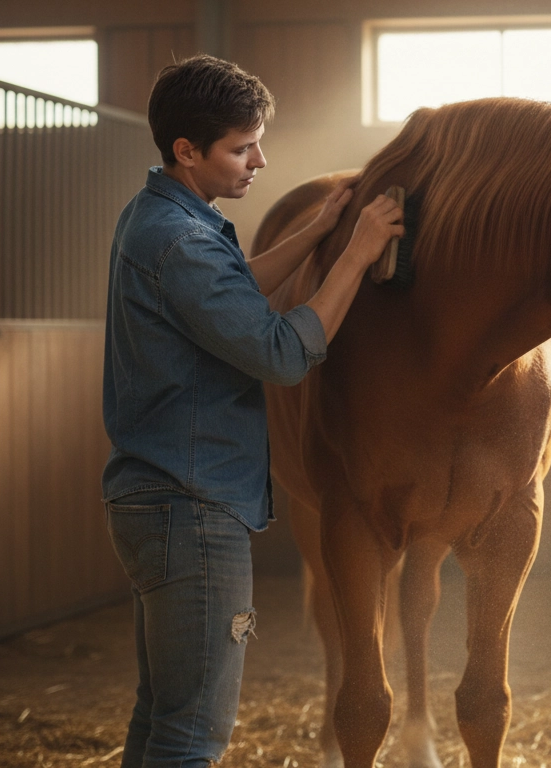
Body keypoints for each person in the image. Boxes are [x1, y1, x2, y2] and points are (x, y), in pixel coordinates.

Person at [100, 54, 402, 768]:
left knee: (162, 713)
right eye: (241, 148)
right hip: (194, 509)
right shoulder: (182, 242)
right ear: (187, 150)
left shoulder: (162, 218)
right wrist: (354, 258)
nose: (260, 160)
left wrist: (318, 233)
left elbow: (232, 290)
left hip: (155, 501)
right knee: (194, 733)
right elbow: (281, 353)